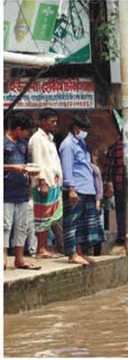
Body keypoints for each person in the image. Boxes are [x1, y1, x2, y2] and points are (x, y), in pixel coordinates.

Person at [4, 113, 41, 270]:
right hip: (5, 192)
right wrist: (13, 167)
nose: (27, 135)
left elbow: (25, 164)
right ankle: (3, 256)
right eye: (26, 131)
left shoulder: (23, 144)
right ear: (18, 129)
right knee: (5, 225)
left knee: (22, 226)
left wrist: (29, 171)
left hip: (22, 191)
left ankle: (19, 258)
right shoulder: (3, 142)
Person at [59, 114, 98, 265]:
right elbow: (67, 168)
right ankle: (72, 254)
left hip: (87, 188)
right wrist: (71, 189)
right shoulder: (67, 145)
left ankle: (80, 252)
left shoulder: (80, 143)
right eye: (83, 129)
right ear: (76, 129)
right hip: (76, 189)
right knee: (71, 223)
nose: (85, 132)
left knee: (83, 224)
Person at [28, 108, 64, 258]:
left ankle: (45, 248)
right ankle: (41, 249)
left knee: (50, 216)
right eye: (52, 121)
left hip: (53, 183)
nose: (54, 124)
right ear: (43, 121)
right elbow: (37, 161)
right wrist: (41, 181)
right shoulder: (37, 138)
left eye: (56, 121)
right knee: (42, 217)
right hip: (44, 184)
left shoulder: (49, 138)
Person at [104, 131, 126, 245]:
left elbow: (109, 167)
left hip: (119, 184)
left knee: (121, 210)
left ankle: (122, 234)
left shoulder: (114, 147)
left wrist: (109, 183)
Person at [86, 152, 105, 256]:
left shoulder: (94, 169)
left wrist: (98, 201)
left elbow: (99, 188)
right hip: (87, 200)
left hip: (94, 201)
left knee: (96, 227)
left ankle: (97, 251)